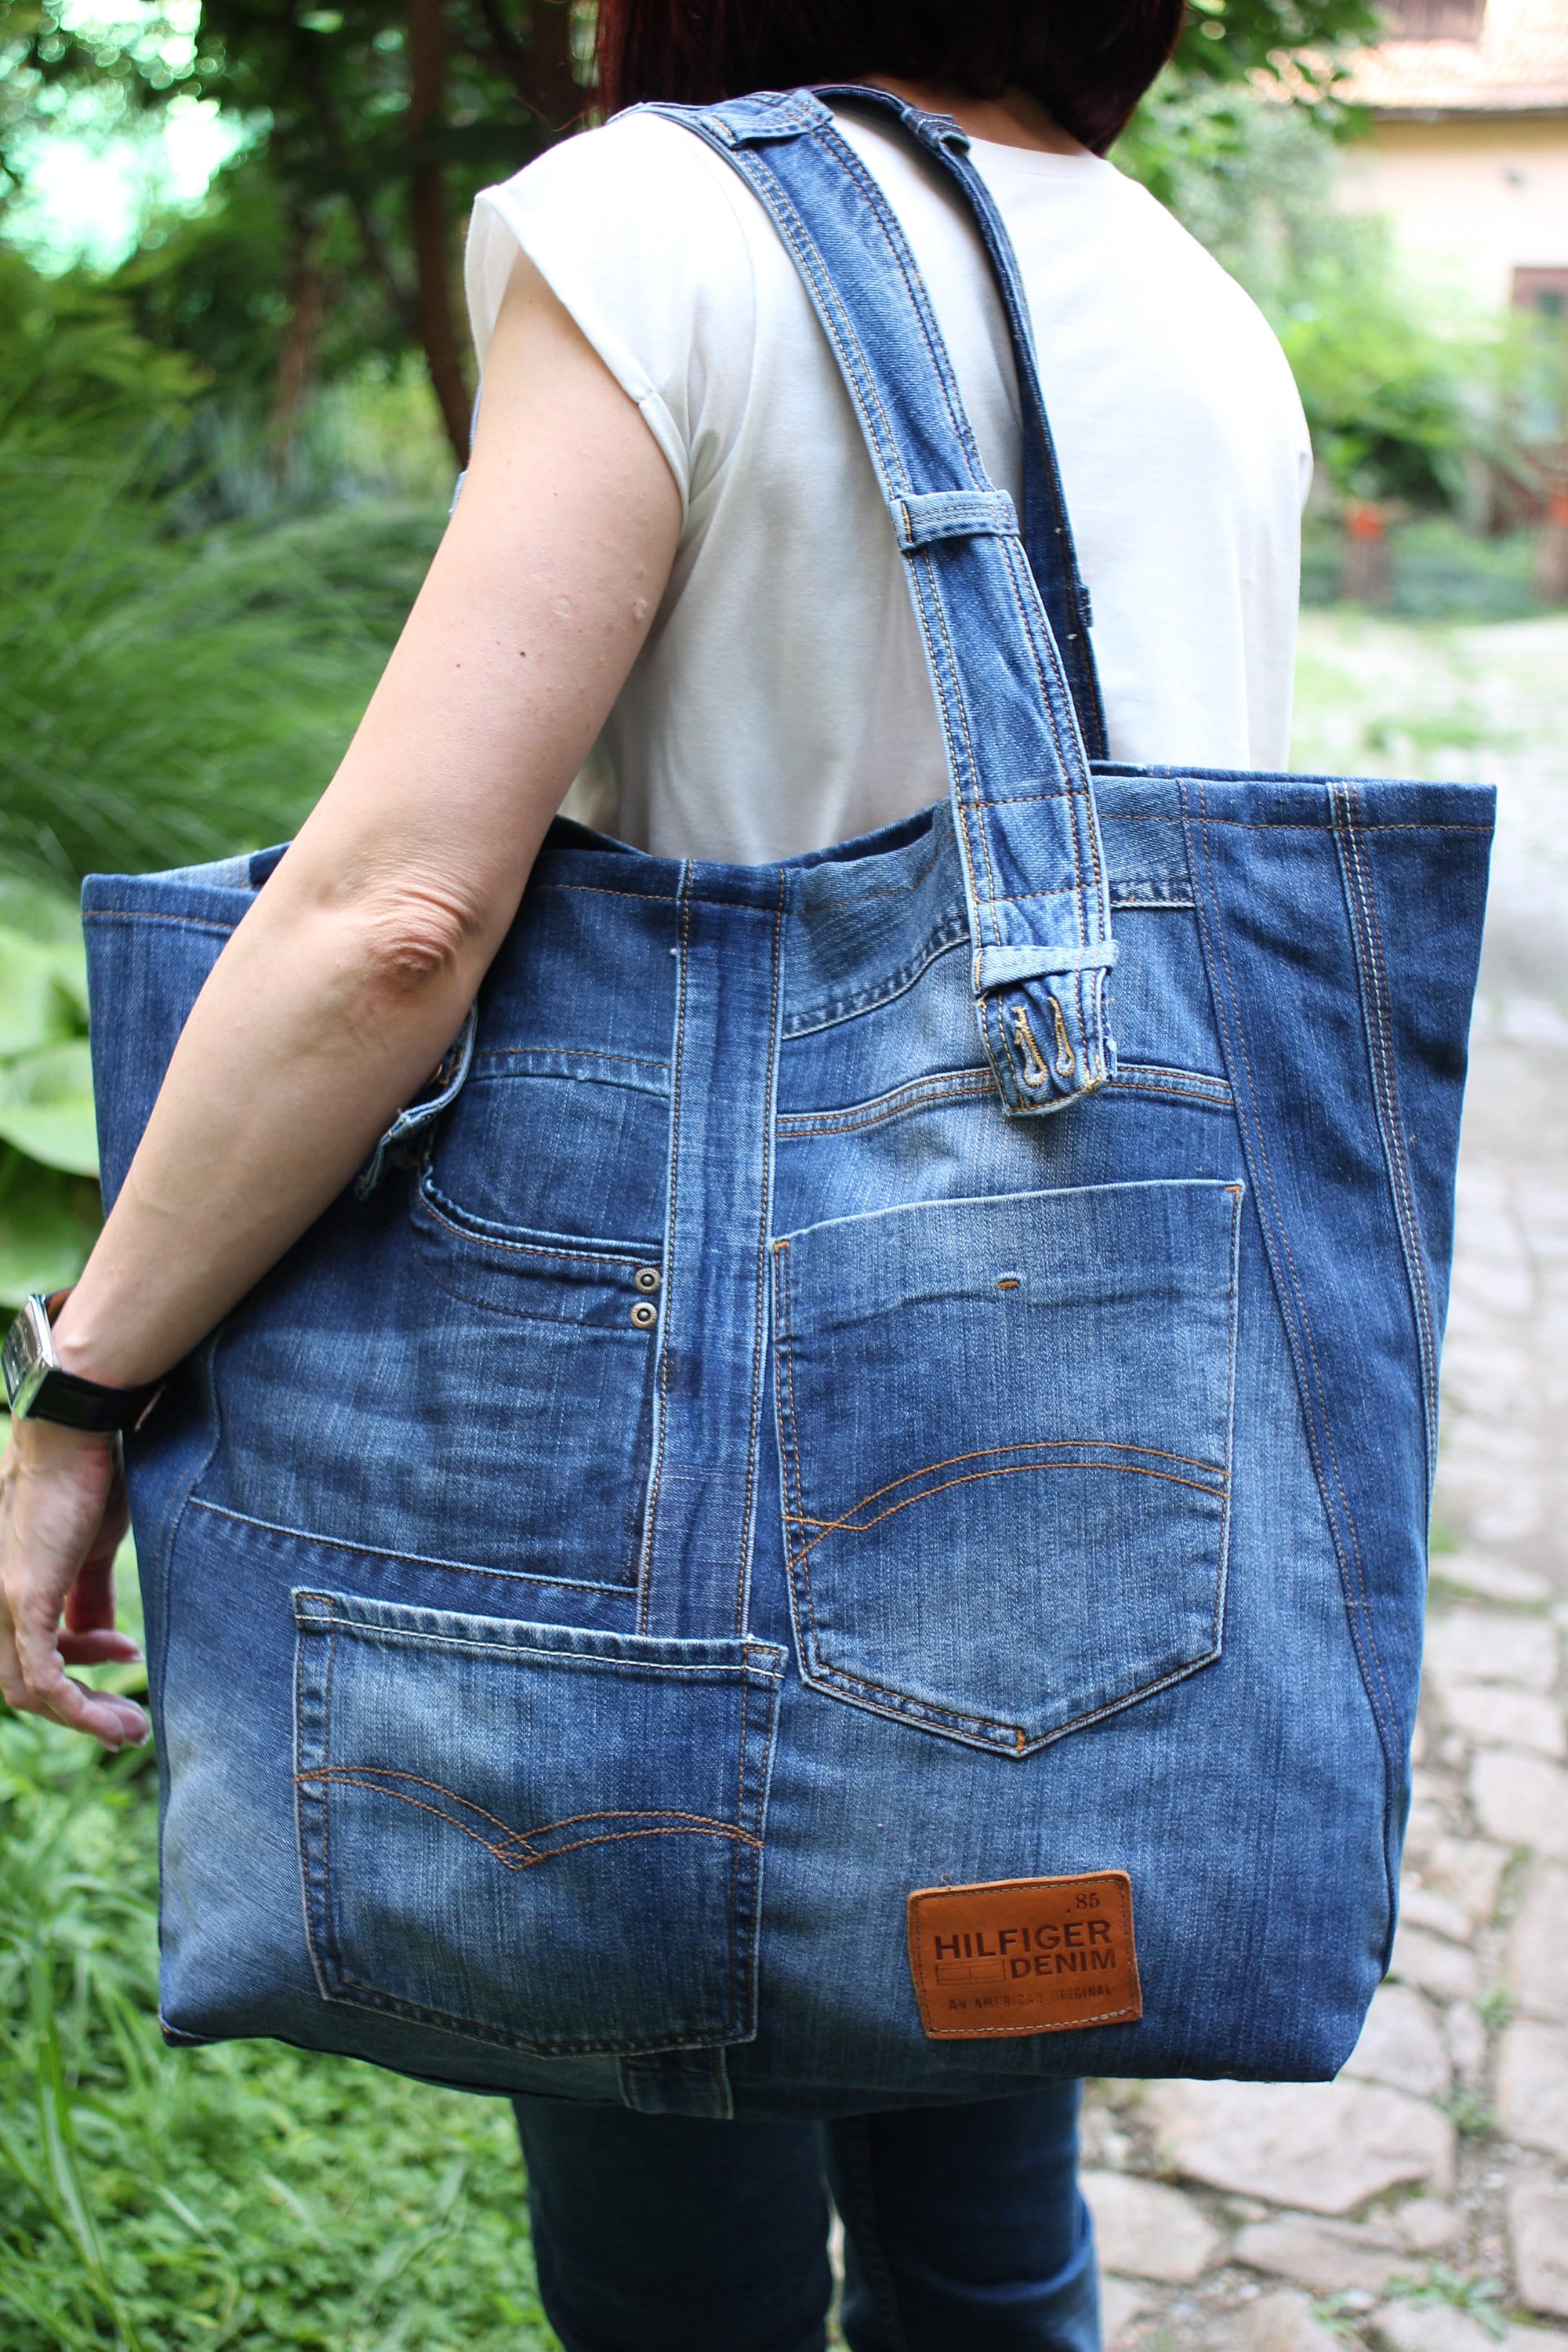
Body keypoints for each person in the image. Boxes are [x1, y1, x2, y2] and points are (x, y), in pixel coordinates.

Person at [1, 2, 1311, 2343]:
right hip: (1077, 1479)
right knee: (994, 2242)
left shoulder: (668, 221)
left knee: (679, 2281)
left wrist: (83, 1387)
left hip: (685, 1472)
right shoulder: (1195, 303)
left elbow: (400, 914)